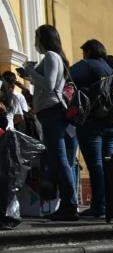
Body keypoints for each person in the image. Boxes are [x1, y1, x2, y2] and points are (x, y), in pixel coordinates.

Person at [18, 24, 78, 221]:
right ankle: (68, 204)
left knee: (60, 160)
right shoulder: (54, 57)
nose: (35, 42)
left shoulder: (51, 56)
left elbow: (50, 84)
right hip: (52, 114)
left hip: (52, 113)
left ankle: (69, 205)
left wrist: (30, 70)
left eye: (36, 37)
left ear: (43, 38)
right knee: (60, 160)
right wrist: (31, 74)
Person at [70, 39, 113, 218]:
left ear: (89, 51)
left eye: (84, 52)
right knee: (108, 166)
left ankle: (99, 205)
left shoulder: (86, 65)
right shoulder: (111, 70)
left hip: (92, 123)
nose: (83, 55)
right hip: (112, 125)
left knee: (96, 165)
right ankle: (110, 204)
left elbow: (66, 78)